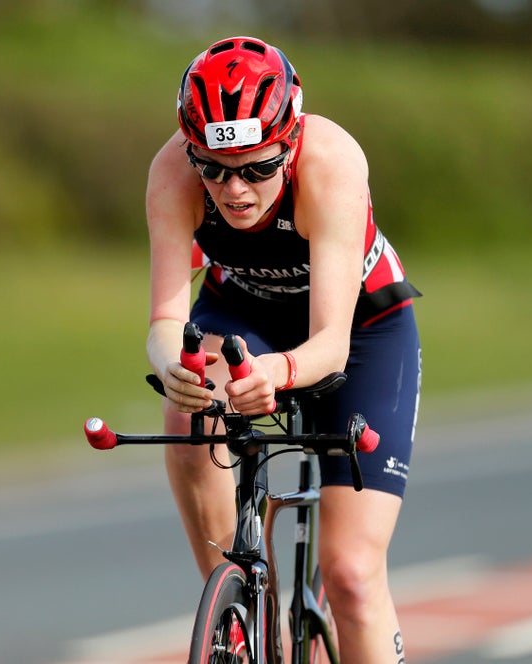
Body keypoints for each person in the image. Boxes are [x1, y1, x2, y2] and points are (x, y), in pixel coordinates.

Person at [145, 36, 421, 663]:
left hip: (360, 326)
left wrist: (279, 369)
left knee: (351, 575)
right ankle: (244, 618)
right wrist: (171, 366)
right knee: (186, 412)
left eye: (257, 168)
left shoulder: (331, 163)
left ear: (290, 142)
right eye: (213, 168)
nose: (233, 189)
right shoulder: (171, 172)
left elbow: (329, 342)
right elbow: (165, 319)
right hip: (241, 309)